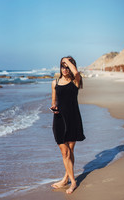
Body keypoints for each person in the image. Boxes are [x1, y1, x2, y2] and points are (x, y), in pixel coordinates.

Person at [50, 56, 85, 194]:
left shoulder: (76, 81)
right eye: (62, 66)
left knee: (70, 152)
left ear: (70, 67)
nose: (64, 69)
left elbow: (76, 73)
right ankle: (73, 182)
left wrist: (67, 60)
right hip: (59, 120)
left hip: (73, 119)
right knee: (65, 152)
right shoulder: (55, 83)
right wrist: (53, 107)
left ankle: (66, 179)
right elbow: (54, 102)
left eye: (67, 66)